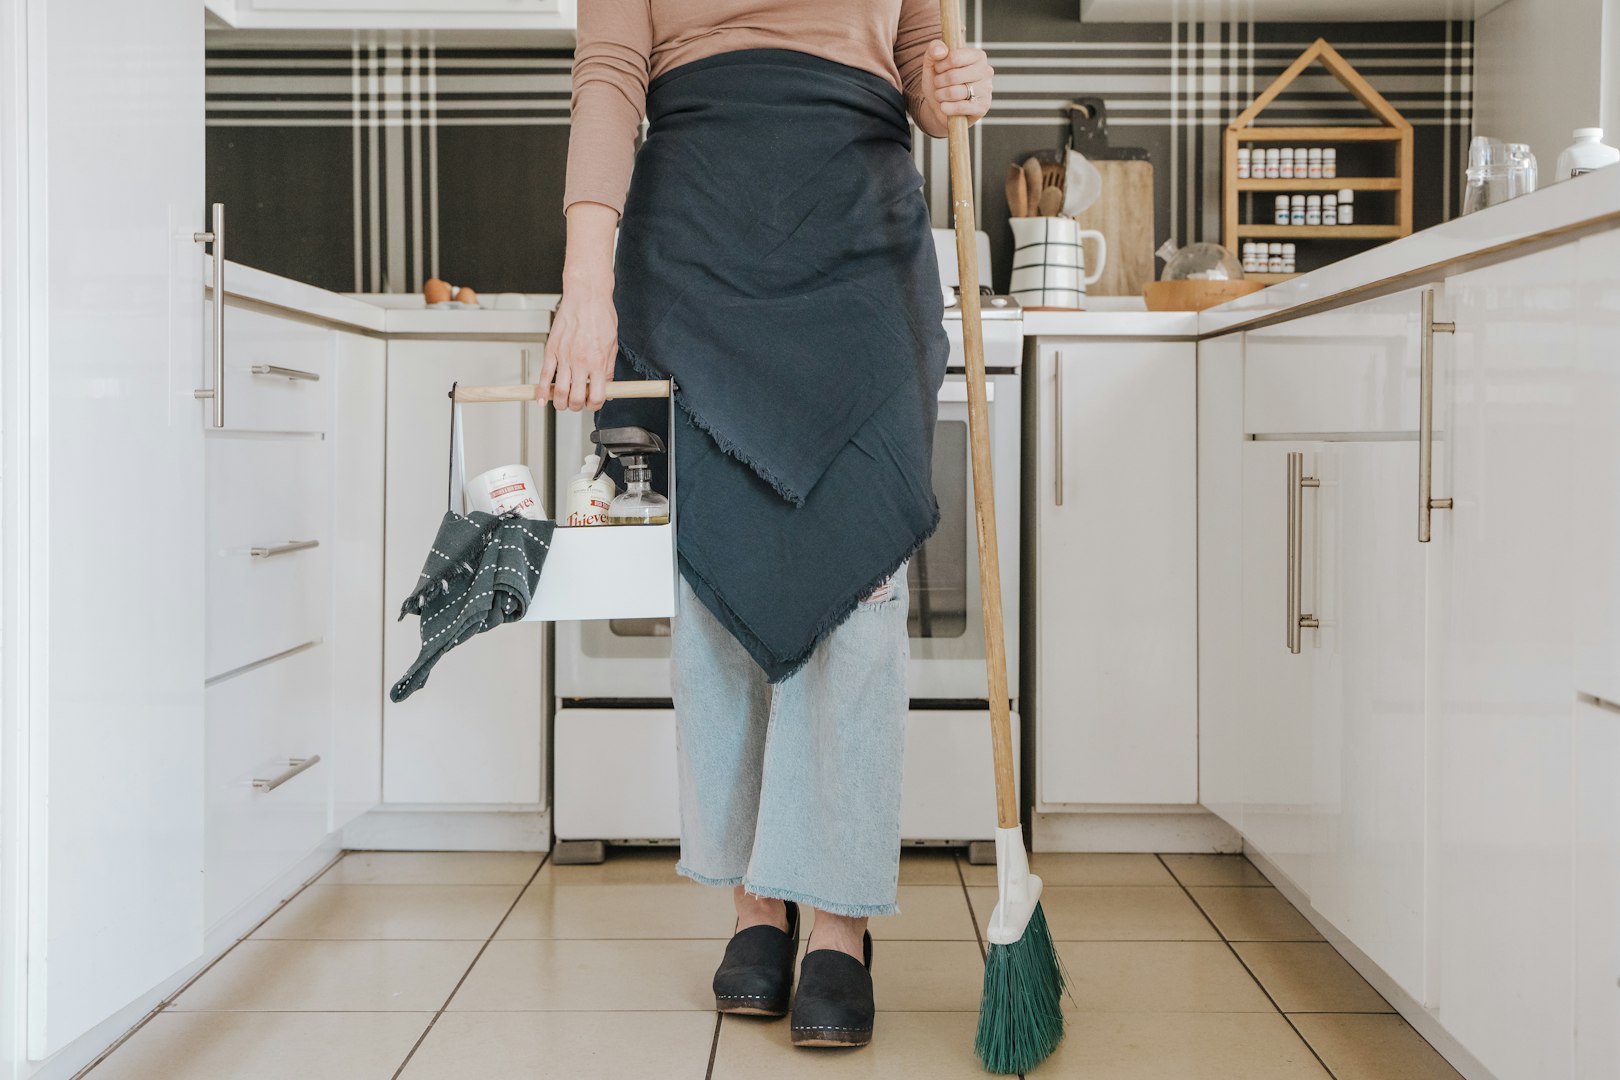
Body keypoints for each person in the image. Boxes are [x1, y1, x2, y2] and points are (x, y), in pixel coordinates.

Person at [546, 1, 992, 1049]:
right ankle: (756, 897)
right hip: (694, 232)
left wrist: (945, 89)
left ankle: (837, 917)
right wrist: (585, 284)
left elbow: (922, 59)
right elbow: (611, 73)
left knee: (857, 580)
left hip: (859, 235)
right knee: (717, 576)